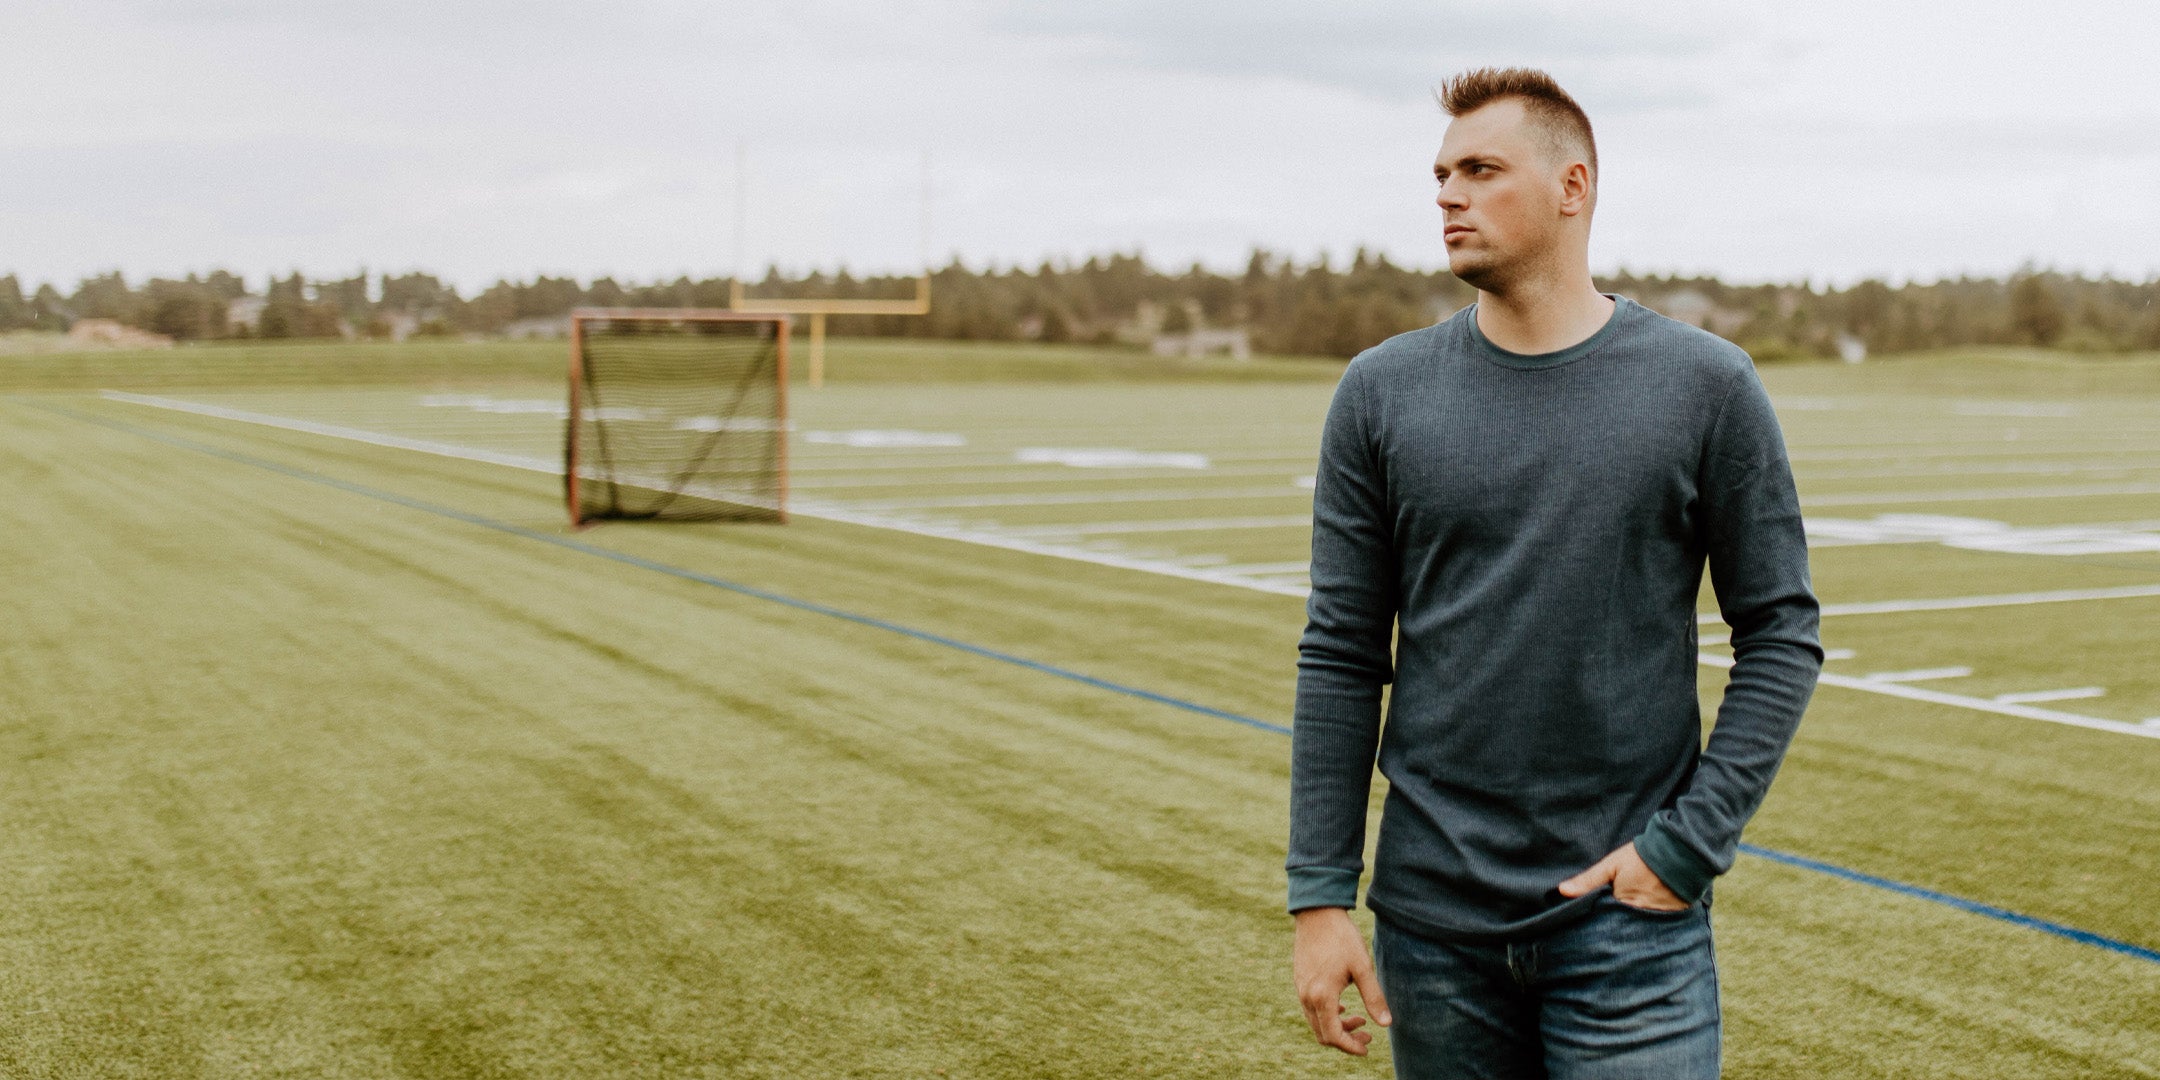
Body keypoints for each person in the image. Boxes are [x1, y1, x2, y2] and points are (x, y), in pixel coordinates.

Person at [1287, 67, 1823, 1078]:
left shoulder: (1705, 386)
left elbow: (1783, 631)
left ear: (1572, 187)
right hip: (1431, 928)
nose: (1448, 194)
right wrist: (1320, 897)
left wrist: (1687, 845)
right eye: (1441, 173)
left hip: (1629, 926)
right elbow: (1343, 653)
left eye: (1481, 170)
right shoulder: (1379, 393)